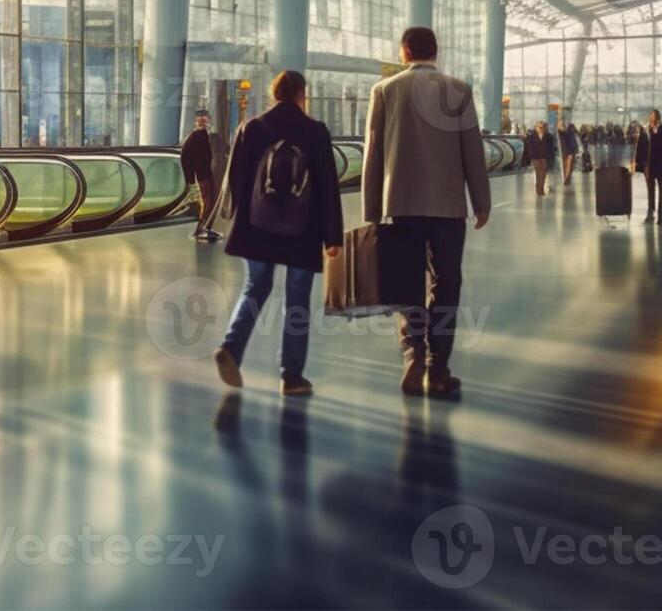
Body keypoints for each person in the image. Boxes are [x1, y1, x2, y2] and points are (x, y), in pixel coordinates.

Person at [362, 27, 491, 399]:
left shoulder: (384, 91)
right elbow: (472, 151)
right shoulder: (458, 90)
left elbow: (373, 153)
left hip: (400, 205)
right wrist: (480, 202)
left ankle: (412, 352)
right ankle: (438, 367)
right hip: (449, 207)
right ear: (436, 51)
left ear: (404, 52)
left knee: (407, 282)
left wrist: (372, 209)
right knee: (447, 283)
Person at [210, 70, 342, 397]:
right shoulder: (315, 131)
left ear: (274, 94)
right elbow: (327, 186)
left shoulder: (252, 128)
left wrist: (236, 221)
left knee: (256, 286)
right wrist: (333, 236)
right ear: (302, 94)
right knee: (297, 299)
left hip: (257, 227)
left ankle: (231, 348)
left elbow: (236, 180)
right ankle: (292, 377)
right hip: (303, 230)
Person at [181, 113, 221, 242]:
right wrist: (190, 177)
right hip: (204, 173)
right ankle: (201, 228)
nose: (204, 124)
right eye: (201, 121)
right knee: (208, 201)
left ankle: (205, 227)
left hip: (208, 172)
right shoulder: (195, 137)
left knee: (211, 200)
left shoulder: (206, 136)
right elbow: (185, 156)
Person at [524, 120, 556, 197]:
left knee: (543, 174)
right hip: (536, 158)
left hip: (544, 158)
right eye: (539, 126)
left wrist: (549, 157)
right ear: (536, 127)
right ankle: (538, 190)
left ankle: (541, 189)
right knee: (538, 174)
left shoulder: (548, 136)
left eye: (542, 126)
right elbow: (530, 147)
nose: (540, 127)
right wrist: (531, 158)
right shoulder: (532, 136)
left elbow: (551, 147)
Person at [557, 120, 580, 187]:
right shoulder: (570, 133)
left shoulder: (569, 133)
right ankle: (567, 179)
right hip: (570, 152)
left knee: (568, 167)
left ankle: (567, 179)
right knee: (569, 167)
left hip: (569, 152)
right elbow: (573, 143)